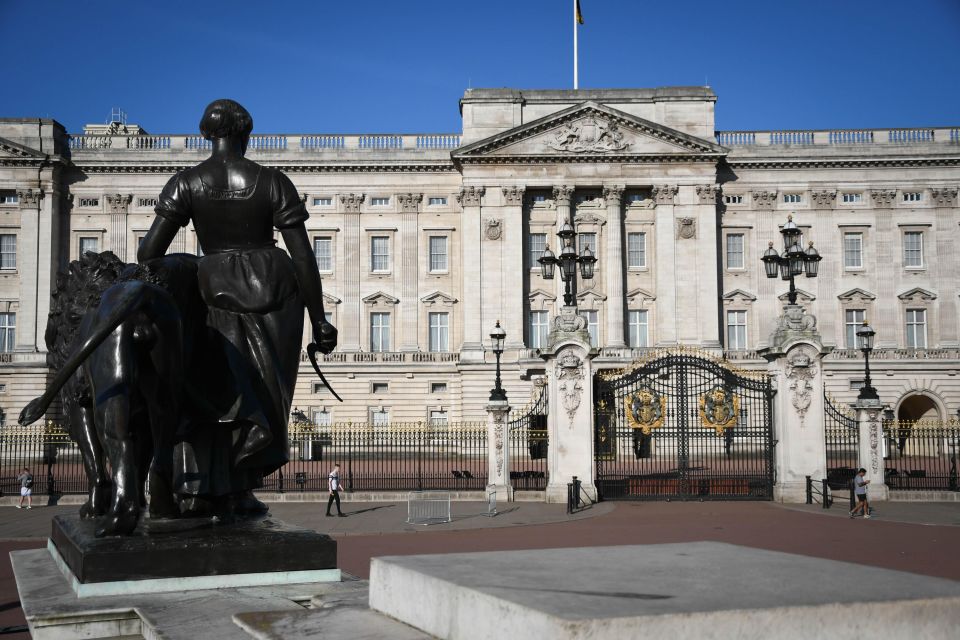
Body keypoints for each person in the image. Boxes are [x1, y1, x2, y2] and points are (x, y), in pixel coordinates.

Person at [138, 99, 337, 515]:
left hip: (211, 287)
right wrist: (319, 319)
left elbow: (149, 252)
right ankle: (239, 488)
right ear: (246, 134)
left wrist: (196, 268)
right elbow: (303, 256)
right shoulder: (272, 181)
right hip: (273, 291)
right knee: (265, 394)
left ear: (206, 135)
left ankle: (200, 488)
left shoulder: (185, 183)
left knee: (211, 390)